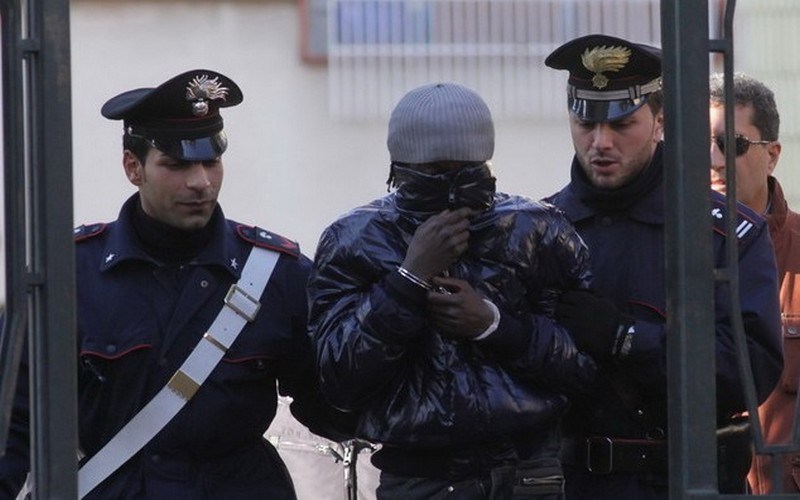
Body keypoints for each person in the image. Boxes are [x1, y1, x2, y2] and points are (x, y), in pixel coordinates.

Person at [0, 69, 351, 499]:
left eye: (211, 161)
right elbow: (15, 423)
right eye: (177, 164)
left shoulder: (277, 274)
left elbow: (337, 408)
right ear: (133, 167)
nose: (201, 182)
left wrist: (391, 310)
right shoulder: (70, 274)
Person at [308, 82, 598, 499]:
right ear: (400, 167)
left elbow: (584, 367)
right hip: (420, 476)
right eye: (432, 171)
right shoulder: (356, 239)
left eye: (464, 170)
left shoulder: (537, 230)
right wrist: (407, 281)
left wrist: (494, 326)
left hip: (526, 470)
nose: (449, 184)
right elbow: (337, 380)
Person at [543, 34, 783, 499]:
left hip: (683, 483)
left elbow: (749, 372)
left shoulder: (724, 235)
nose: (600, 142)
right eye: (585, 123)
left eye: (622, 124)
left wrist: (627, 338)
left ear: (660, 122)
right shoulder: (540, 230)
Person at [709, 71, 800, 494]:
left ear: (772, 155)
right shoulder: (658, 252)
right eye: (697, 145)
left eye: (731, 144)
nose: (713, 159)